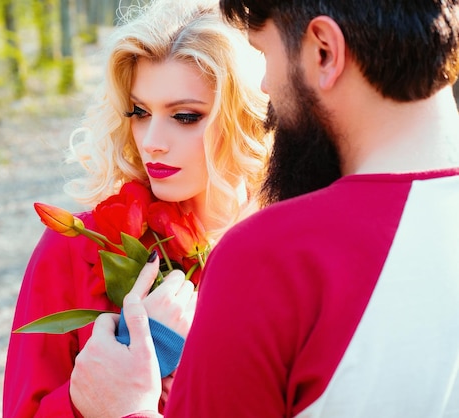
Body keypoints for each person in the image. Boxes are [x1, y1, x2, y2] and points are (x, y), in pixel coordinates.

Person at [68, 0, 459, 416]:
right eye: (140, 112)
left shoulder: (267, 256)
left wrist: (127, 408)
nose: (266, 88)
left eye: (266, 54)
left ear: (323, 50)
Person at [2, 0, 271, 416]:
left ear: (247, 118)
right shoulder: (77, 250)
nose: (151, 141)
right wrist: (134, 356)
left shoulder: (289, 248)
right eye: (140, 112)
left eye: (184, 116)